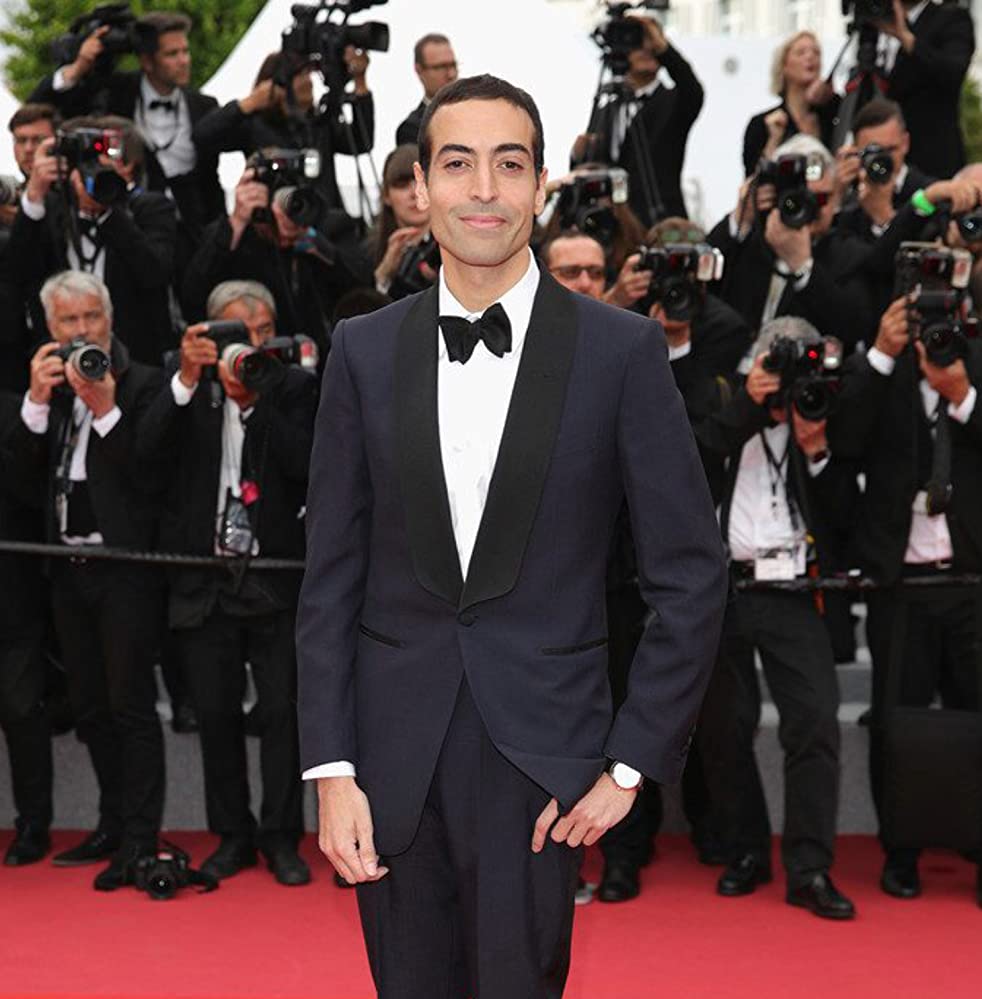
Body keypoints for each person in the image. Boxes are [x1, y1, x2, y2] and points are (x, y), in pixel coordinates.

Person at [296, 74, 727, 997]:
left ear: (539, 185)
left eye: (509, 163)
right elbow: (329, 576)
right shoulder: (362, 350)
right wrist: (331, 767)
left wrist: (630, 763)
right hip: (388, 765)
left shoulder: (622, 351)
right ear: (420, 186)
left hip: (543, 764)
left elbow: (690, 574)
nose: (484, 188)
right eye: (458, 164)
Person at [137, 280, 317, 886]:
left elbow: (307, 467)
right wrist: (187, 382)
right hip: (205, 581)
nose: (254, 344)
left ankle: (282, 837)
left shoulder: (293, 386)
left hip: (273, 580)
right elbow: (145, 456)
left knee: (282, 716)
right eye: (241, 334)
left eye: (265, 331)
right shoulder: (182, 383)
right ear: (210, 336)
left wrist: (259, 401)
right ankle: (232, 835)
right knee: (214, 715)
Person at [3, 270, 165, 889]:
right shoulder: (51, 390)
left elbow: (149, 477)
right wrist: (36, 403)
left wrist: (106, 411)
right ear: (50, 329)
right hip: (66, 573)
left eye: (90, 317)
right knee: (91, 708)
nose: (81, 331)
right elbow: (20, 484)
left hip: (124, 571)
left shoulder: (142, 383)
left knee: (130, 707)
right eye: (68, 321)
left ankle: (141, 839)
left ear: (110, 319)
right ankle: (111, 823)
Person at [691, 316, 857, 920]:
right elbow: (689, 462)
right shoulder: (724, 408)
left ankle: (810, 868)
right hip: (726, 590)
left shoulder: (823, 414)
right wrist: (747, 406)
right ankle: (745, 850)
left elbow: (849, 521)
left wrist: (815, 447)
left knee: (814, 722)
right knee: (724, 727)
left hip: (795, 591)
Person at [828, 289, 982, 908]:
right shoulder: (879, 371)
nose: (932, 331)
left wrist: (962, 395)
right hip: (900, 585)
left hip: (973, 582)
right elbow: (842, 438)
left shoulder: (973, 362)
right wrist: (881, 355)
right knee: (894, 722)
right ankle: (901, 851)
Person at [30, 11, 225, 245]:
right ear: (147, 61)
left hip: (193, 234)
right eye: (172, 54)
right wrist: (79, 67)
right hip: (128, 227)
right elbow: (36, 110)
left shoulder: (204, 106)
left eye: (185, 51)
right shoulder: (115, 93)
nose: (184, 61)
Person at [7, 117, 178, 367]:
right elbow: (17, 273)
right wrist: (34, 195)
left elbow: (156, 272)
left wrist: (108, 211)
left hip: (135, 360)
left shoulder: (149, 208)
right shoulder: (49, 211)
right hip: (59, 360)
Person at [181, 162, 372, 357]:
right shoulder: (231, 237)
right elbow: (192, 300)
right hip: (262, 356)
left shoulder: (329, 225)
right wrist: (237, 223)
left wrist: (311, 239)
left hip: (328, 353)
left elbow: (364, 287)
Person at [710, 134, 875, 352]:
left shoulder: (850, 253)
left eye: (821, 199)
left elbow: (855, 327)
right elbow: (704, 284)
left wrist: (803, 267)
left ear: (836, 197)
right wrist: (741, 217)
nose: (811, 208)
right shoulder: (750, 242)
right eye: (797, 199)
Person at [192, 47, 374, 216]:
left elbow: (361, 142)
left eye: (308, 74)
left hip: (324, 219)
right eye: (300, 75)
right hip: (274, 222)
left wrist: (360, 83)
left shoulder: (319, 123)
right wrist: (247, 104)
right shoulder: (255, 125)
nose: (309, 82)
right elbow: (203, 136)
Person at [582, 16, 703, 225]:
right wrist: (578, 155)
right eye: (637, 41)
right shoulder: (607, 106)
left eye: (652, 44)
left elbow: (691, 88)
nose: (646, 49)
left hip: (660, 220)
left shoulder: (674, 101)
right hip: (614, 224)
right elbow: (593, 165)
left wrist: (664, 48)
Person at [0, 391, 52, 866]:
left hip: (11, 595)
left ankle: (34, 824)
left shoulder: (14, 411)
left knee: (21, 711)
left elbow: (30, 492)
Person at [876, 0, 975, 179]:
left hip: (931, 163)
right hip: (880, 161)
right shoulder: (873, 24)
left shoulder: (951, 18)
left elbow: (952, 72)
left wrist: (906, 39)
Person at [1, 104, 60, 393]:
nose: (27, 149)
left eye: (37, 140)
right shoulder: (14, 202)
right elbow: (16, 269)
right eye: (20, 140)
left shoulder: (81, 193)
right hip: (21, 345)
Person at [835, 98, 935, 243]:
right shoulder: (851, 200)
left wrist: (883, 217)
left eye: (890, 150)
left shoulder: (929, 193)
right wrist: (836, 195)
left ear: (905, 143)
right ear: (856, 151)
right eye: (874, 152)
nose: (883, 160)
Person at [743, 31, 840, 177]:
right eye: (801, 53)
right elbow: (752, 181)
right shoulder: (762, 124)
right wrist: (773, 141)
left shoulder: (834, 115)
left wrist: (832, 98)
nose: (810, 57)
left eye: (816, 53)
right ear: (784, 66)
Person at [371, 144, 435, 299]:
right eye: (402, 185)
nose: (414, 193)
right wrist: (383, 276)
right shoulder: (366, 253)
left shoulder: (460, 244)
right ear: (386, 196)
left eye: (422, 182)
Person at [395, 33, 459, 146]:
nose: (451, 74)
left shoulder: (477, 113)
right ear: (419, 70)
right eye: (441, 67)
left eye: (453, 65)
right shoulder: (413, 129)